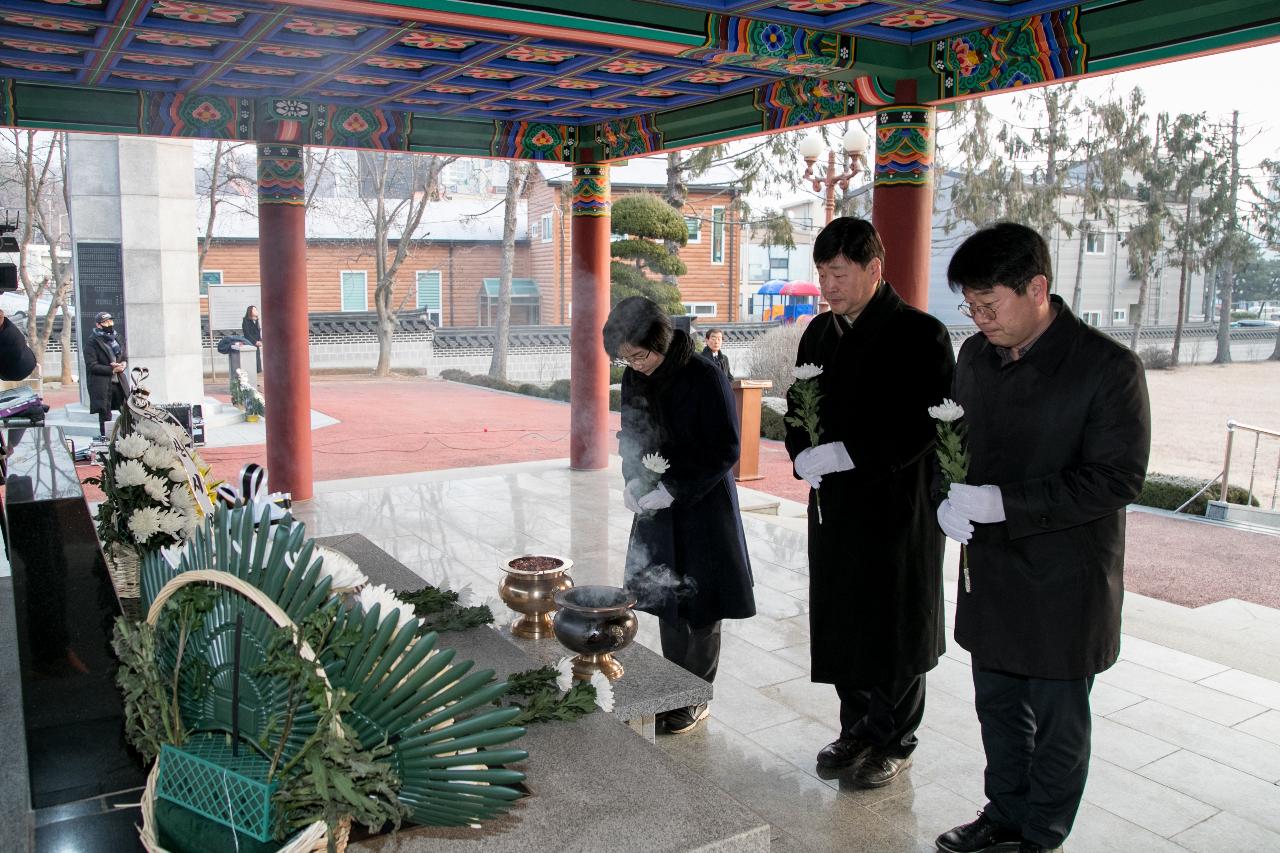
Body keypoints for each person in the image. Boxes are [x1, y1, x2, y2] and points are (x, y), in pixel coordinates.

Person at [934, 223, 1150, 853]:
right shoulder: (974, 357)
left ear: (1037, 288)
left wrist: (1005, 502)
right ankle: (1003, 812)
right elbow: (955, 445)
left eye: (989, 306)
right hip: (992, 569)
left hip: (1065, 577)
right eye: (970, 308)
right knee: (996, 706)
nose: (979, 321)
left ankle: (1042, 835)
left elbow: (1117, 478)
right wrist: (949, 497)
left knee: (1057, 722)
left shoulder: (1107, 367)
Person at [783, 217, 954, 788]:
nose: (828, 286)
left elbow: (924, 423)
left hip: (895, 504)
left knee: (893, 622)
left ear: (874, 269)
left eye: (839, 273)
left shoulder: (919, 333)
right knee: (844, 616)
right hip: (835, 508)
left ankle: (894, 738)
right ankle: (855, 726)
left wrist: (849, 454)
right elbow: (798, 403)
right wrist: (802, 451)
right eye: (822, 274)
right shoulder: (817, 333)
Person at [603, 296, 756, 735]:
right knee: (666, 600)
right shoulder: (635, 376)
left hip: (702, 503)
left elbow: (726, 448)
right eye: (624, 359)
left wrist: (674, 488)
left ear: (661, 341)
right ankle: (674, 688)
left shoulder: (704, 374)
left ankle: (696, 696)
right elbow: (630, 432)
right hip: (655, 501)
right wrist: (633, 480)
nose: (633, 366)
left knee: (702, 606)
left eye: (639, 355)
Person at [85, 311, 129, 439]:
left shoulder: (118, 338)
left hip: (119, 382)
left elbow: (123, 356)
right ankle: (107, 440)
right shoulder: (92, 342)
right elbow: (91, 366)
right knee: (105, 414)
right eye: (105, 322)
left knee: (127, 410)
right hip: (102, 384)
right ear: (98, 325)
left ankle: (129, 438)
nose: (109, 324)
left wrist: (124, 364)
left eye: (110, 321)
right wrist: (111, 370)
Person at [242, 304, 263, 373]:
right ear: (250, 311)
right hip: (250, 343)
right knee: (251, 363)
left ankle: (254, 380)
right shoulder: (246, 321)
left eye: (256, 309)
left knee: (256, 363)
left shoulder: (256, 321)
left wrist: (260, 340)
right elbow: (247, 334)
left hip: (256, 344)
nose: (256, 311)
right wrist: (255, 342)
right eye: (254, 310)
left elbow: (258, 332)